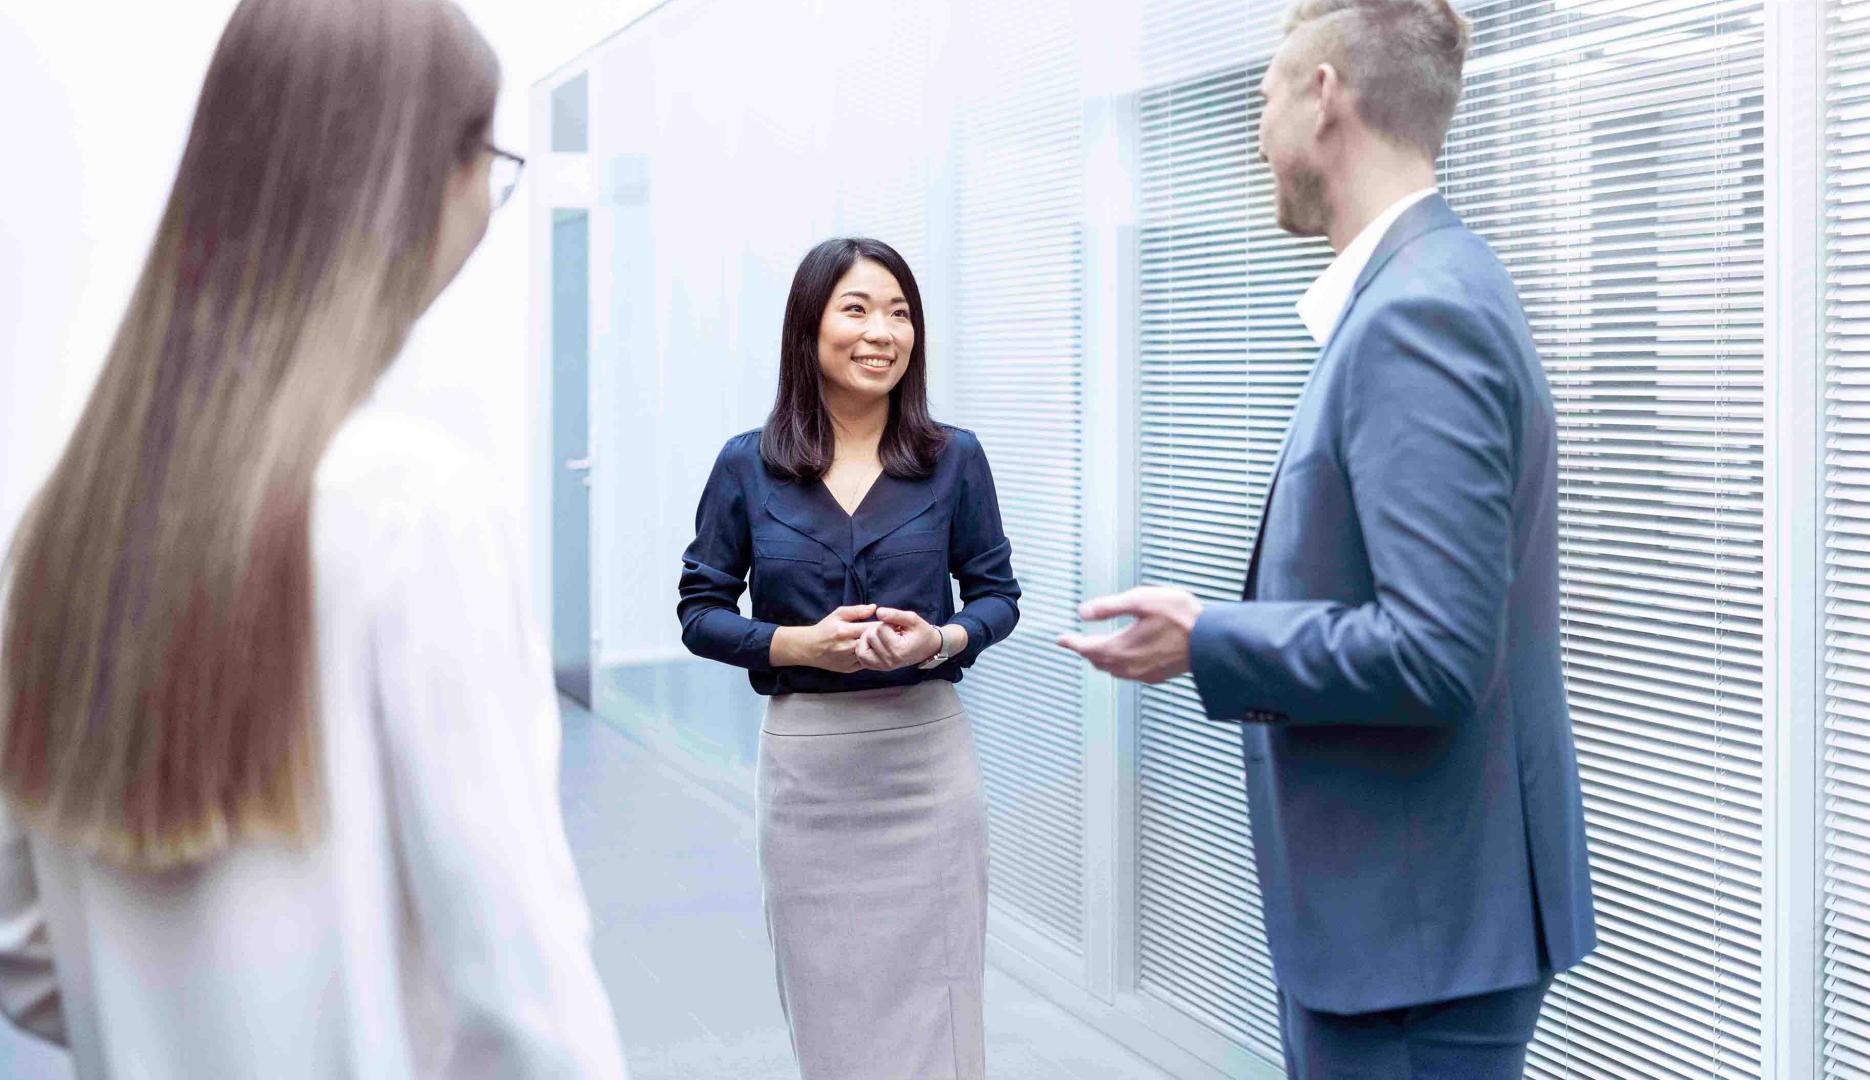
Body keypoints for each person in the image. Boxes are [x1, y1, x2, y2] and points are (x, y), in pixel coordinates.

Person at [0, 0, 626, 1075]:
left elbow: (21, 949)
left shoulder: (58, 530)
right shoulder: (414, 509)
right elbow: (526, 1009)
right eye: (494, 166)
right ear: (421, 176)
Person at [1058, 2, 1596, 1077]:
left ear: (1324, 94)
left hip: (1416, 948)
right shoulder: (1425, 289)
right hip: (1412, 928)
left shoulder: (1419, 314)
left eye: (1261, 95)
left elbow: (1437, 655)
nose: (1253, 134)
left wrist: (1211, 636)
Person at [678, 236, 1020, 1080]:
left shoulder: (954, 459)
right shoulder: (747, 466)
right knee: (832, 1013)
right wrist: (799, 645)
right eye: (858, 309)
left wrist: (943, 637)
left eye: (900, 313)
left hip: (926, 764)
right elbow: (700, 612)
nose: (883, 333)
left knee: (941, 1010)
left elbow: (997, 596)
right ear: (810, 330)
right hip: (810, 775)